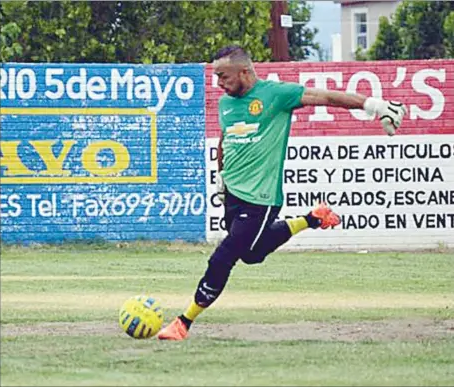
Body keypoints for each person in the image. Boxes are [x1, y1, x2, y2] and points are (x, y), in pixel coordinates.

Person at [158, 45, 407, 341]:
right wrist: (221, 176)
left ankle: (183, 322)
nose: (218, 83)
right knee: (251, 254)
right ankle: (313, 218)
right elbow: (226, 140)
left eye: (223, 76)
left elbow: (326, 97)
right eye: (216, 77)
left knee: (223, 257)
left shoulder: (276, 95)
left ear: (245, 72)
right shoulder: (226, 104)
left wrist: (375, 106)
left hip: (261, 198)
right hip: (233, 195)